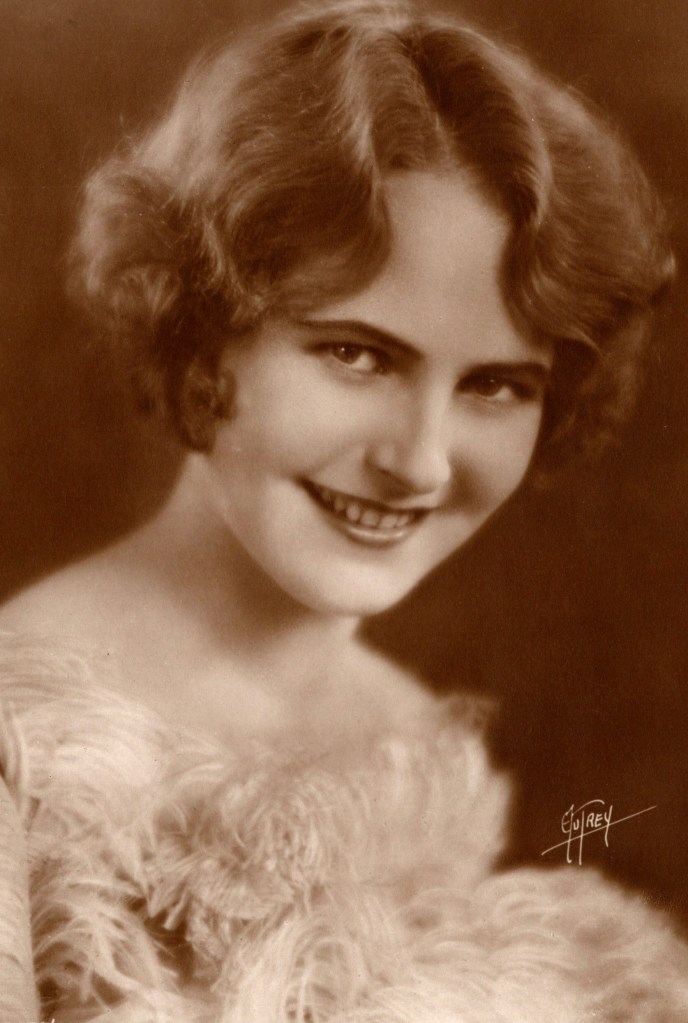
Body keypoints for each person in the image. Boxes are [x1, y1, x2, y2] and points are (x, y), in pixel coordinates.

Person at [0, 0, 686, 1019]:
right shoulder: (20, 743)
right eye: (356, 354)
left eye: (497, 385)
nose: (419, 461)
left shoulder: (417, 748)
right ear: (200, 328)